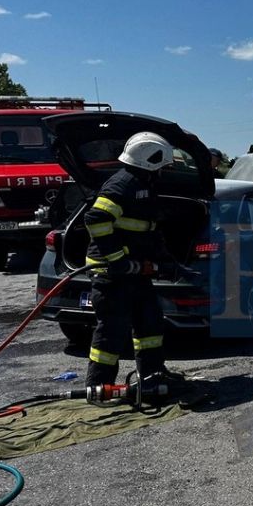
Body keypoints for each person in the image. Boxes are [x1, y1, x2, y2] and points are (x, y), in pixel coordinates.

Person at [83, 132, 180, 388]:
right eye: (164, 165)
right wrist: (118, 260)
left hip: (133, 273)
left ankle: (152, 377)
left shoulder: (143, 184)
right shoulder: (122, 184)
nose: (165, 170)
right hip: (111, 273)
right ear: (151, 159)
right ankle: (99, 387)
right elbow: (96, 219)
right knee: (112, 331)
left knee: (149, 324)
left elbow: (147, 230)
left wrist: (165, 261)